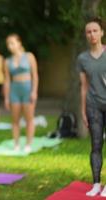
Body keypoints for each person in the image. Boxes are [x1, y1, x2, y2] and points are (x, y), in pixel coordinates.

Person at [77, 17, 106, 197]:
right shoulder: (82, 58)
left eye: (95, 30)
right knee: (96, 145)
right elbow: (83, 86)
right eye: (88, 31)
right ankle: (96, 183)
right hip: (93, 106)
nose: (92, 34)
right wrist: (83, 110)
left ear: (102, 32)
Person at [3, 33, 38, 152]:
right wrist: (7, 98)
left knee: (29, 118)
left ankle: (28, 144)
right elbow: (7, 80)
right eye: (8, 44)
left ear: (19, 43)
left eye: (12, 43)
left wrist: (34, 91)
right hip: (14, 90)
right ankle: (16, 144)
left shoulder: (29, 56)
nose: (10, 46)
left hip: (27, 89)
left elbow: (35, 75)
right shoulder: (7, 61)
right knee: (15, 120)